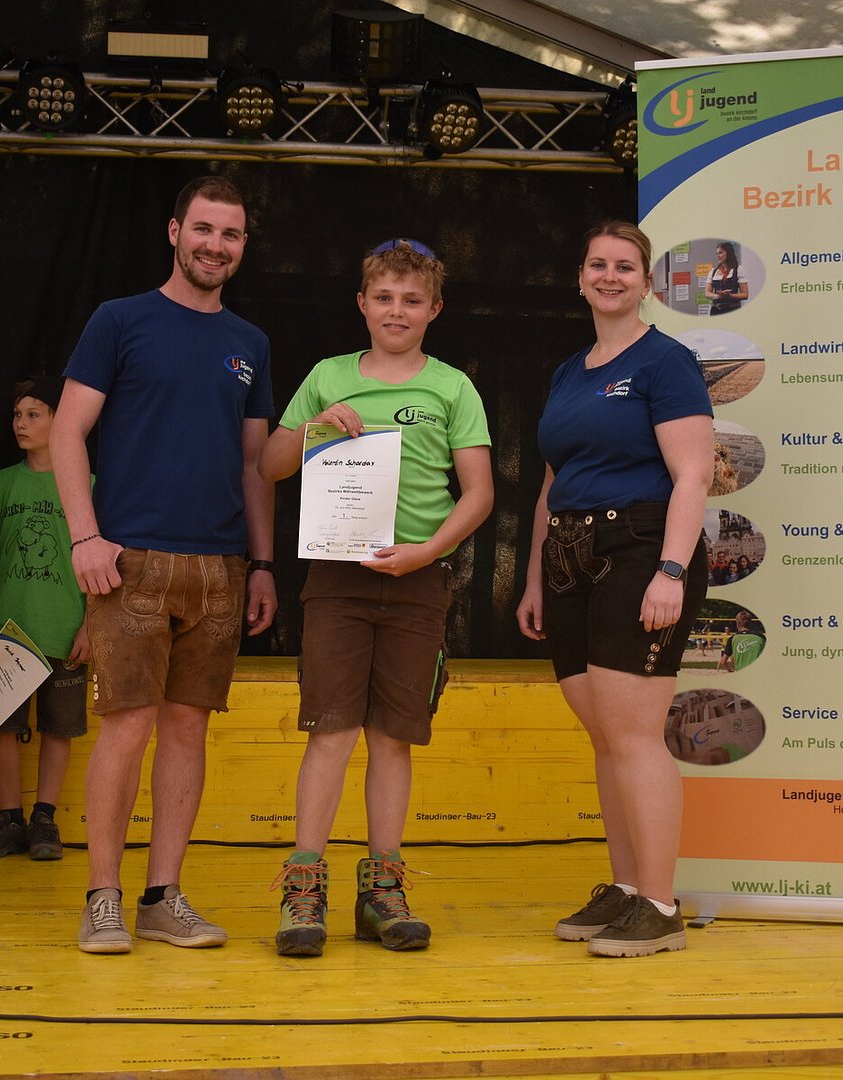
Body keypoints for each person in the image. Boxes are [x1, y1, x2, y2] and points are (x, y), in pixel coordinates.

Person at [53, 175, 277, 954]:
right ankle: (102, 898)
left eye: (231, 234)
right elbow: (66, 432)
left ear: (242, 246)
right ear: (174, 231)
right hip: (129, 563)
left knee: (187, 731)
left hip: (219, 569)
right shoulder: (120, 320)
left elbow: (254, 465)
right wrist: (85, 537)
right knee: (126, 729)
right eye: (204, 229)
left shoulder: (250, 343)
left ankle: (162, 897)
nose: (216, 245)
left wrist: (261, 563)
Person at [259, 239, 492, 958]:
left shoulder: (453, 387)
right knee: (330, 730)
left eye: (412, 300)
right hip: (337, 577)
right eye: (384, 298)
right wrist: (315, 428)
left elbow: (479, 493)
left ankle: (382, 890)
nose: (397, 311)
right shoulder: (328, 377)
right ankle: (304, 887)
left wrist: (428, 551)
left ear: (435, 310)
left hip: (417, 580)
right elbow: (269, 464)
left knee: (393, 735)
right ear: (361, 303)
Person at [517, 221, 714, 957]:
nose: (610, 276)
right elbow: (553, 481)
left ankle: (660, 907)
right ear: (580, 278)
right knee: (605, 734)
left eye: (625, 266)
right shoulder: (570, 371)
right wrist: (534, 576)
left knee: (633, 734)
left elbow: (693, 474)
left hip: (639, 547)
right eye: (597, 264)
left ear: (647, 282)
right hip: (569, 554)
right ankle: (628, 888)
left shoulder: (666, 361)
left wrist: (671, 570)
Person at [0, 376, 91, 861]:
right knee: (1, 726)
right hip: (8, 633)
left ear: (61, 420)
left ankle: (44, 819)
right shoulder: (0, 484)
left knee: (58, 729)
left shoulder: (89, 485)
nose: (21, 423)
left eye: (34, 414)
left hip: (65, 629)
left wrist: (90, 625)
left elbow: (103, 562)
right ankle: (8, 819)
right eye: (17, 415)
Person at [703, 241, 748, 313]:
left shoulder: (738, 270)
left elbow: (745, 295)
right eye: (717, 254)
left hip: (732, 309)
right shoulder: (713, 271)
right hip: (716, 310)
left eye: (720, 253)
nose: (718, 255)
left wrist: (730, 295)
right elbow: (707, 293)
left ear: (729, 253)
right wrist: (718, 296)